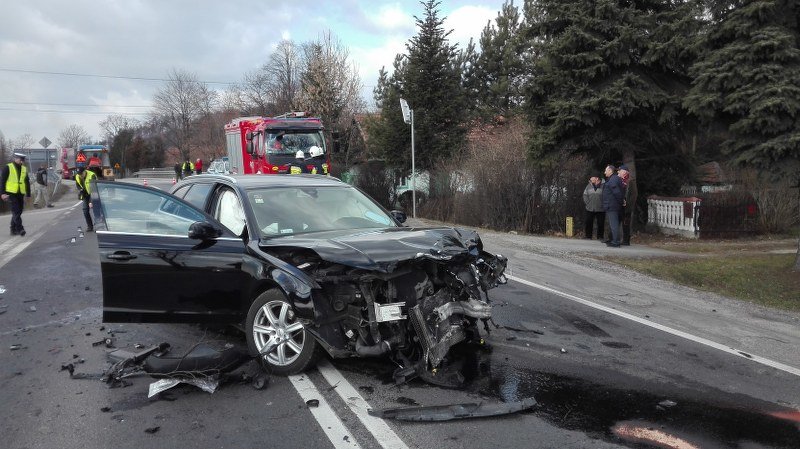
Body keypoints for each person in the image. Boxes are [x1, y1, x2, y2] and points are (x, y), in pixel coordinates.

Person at [2, 152, 32, 236]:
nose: (22, 161)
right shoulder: (8, 167)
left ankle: (12, 229)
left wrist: (28, 194)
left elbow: (27, 182)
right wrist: (3, 193)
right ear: (15, 159)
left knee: (19, 211)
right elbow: (3, 181)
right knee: (16, 210)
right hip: (10, 193)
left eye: (23, 160)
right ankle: (20, 229)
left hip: (20, 193)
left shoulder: (24, 169)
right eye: (20, 160)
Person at [601, 164, 625, 247]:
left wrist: (621, 202)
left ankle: (616, 242)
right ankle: (613, 240)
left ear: (610, 171)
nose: (604, 172)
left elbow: (617, 193)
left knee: (614, 224)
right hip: (612, 205)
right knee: (613, 224)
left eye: (606, 170)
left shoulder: (613, 180)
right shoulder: (612, 179)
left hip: (612, 205)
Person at [75, 166, 97, 231]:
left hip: (94, 193)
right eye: (79, 174)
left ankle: (99, 225)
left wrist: (91, 201)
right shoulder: (77, 176)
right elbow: (78, 185)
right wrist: (81, 190)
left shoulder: (92, 175)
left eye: (81, 174)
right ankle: (90, 226)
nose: (80, 175)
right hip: (85, 194)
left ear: (85, 171)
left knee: (96, 210)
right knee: (85, 210)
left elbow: (94, 189)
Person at [618, 164, 632, 245]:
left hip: (627, 206)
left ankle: (626, 240)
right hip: (620, 205)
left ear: (625, 172)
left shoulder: (629, 181)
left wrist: (628, 203)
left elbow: (633, 194)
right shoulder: (620, 180)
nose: (618, 172)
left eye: (620, 170)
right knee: (618, 221)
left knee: (626, 223)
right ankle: (615, 238)